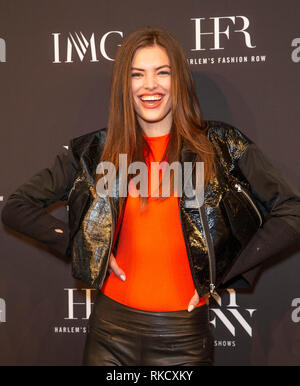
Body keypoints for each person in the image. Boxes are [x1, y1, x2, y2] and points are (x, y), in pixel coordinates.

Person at [2, 26, 300, 366]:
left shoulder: (221, 145)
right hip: (109, 334)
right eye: (137, 74)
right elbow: (16, 207)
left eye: (162, 72)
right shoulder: (93, 151)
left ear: (179, 81)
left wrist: (227, 269)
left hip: (183, 338)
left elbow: (292, 210)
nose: (150, 85)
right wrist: (82, 246)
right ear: (124, 86)